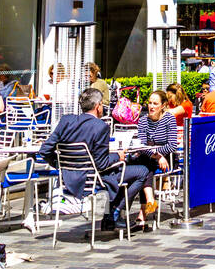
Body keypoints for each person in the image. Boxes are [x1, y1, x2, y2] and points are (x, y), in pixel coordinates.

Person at [34, 88, 149, 229]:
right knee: (142, 171)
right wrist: (117, 156)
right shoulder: (100, 126)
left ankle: (109, 216)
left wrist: (62, 166)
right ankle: (114, 214)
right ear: (98, 106)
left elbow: (45, 150)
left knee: (118, 171)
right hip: (91, 181)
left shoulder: (66, 121)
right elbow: (101, 164)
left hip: (67, 179)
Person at [129, 90, 178, 221]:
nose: (151, 106)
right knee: (144, 166)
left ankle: (143, 212)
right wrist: (156, 155)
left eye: (155, 103)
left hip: (168, 157)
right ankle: (149, 201)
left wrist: (159, 154)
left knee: (143, 166)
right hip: (150, 157)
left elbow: (173, 145)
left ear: (163, 105)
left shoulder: (169, 119)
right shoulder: (143, 120)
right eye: (150, 103)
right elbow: (142, 145)